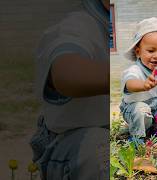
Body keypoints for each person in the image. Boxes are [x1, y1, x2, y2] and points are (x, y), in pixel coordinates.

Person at [30, 0, 109, 179]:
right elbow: (66, 73)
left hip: (125, 136)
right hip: (70, 146)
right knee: (100, 149)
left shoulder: (145, 23)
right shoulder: (79, 25)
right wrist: (124, 74)